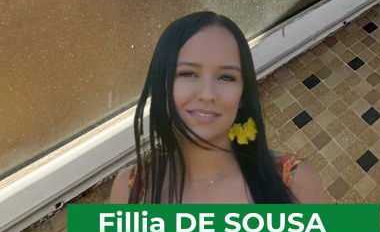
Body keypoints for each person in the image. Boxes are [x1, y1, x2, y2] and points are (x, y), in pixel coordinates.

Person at [109, 11, 327, 204]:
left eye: (226, 77)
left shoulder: (295, 183)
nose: (207, 94)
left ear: (242, 95)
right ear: (162, 86)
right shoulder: (129, 190)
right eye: (188, 73)